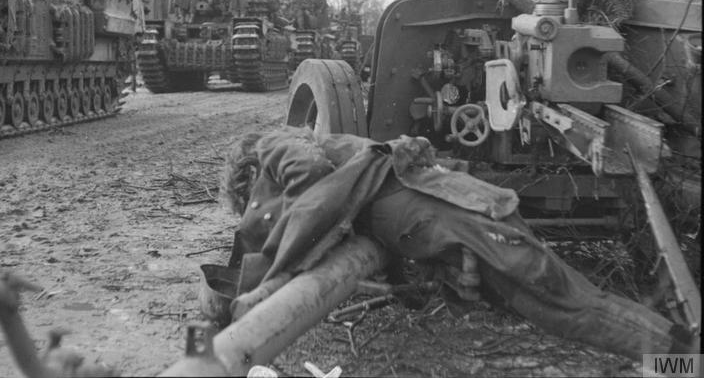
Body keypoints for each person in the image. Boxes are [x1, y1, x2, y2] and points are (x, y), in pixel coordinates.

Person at [216, 126, 697, 361]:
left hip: (459, 216)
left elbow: (312, 184)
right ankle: (674, 364)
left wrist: (277, 273)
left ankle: (686, 361)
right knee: (559, 316)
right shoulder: (341, 193)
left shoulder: (272, 148)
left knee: (570, 300)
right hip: (452, 233)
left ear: (246, 177)